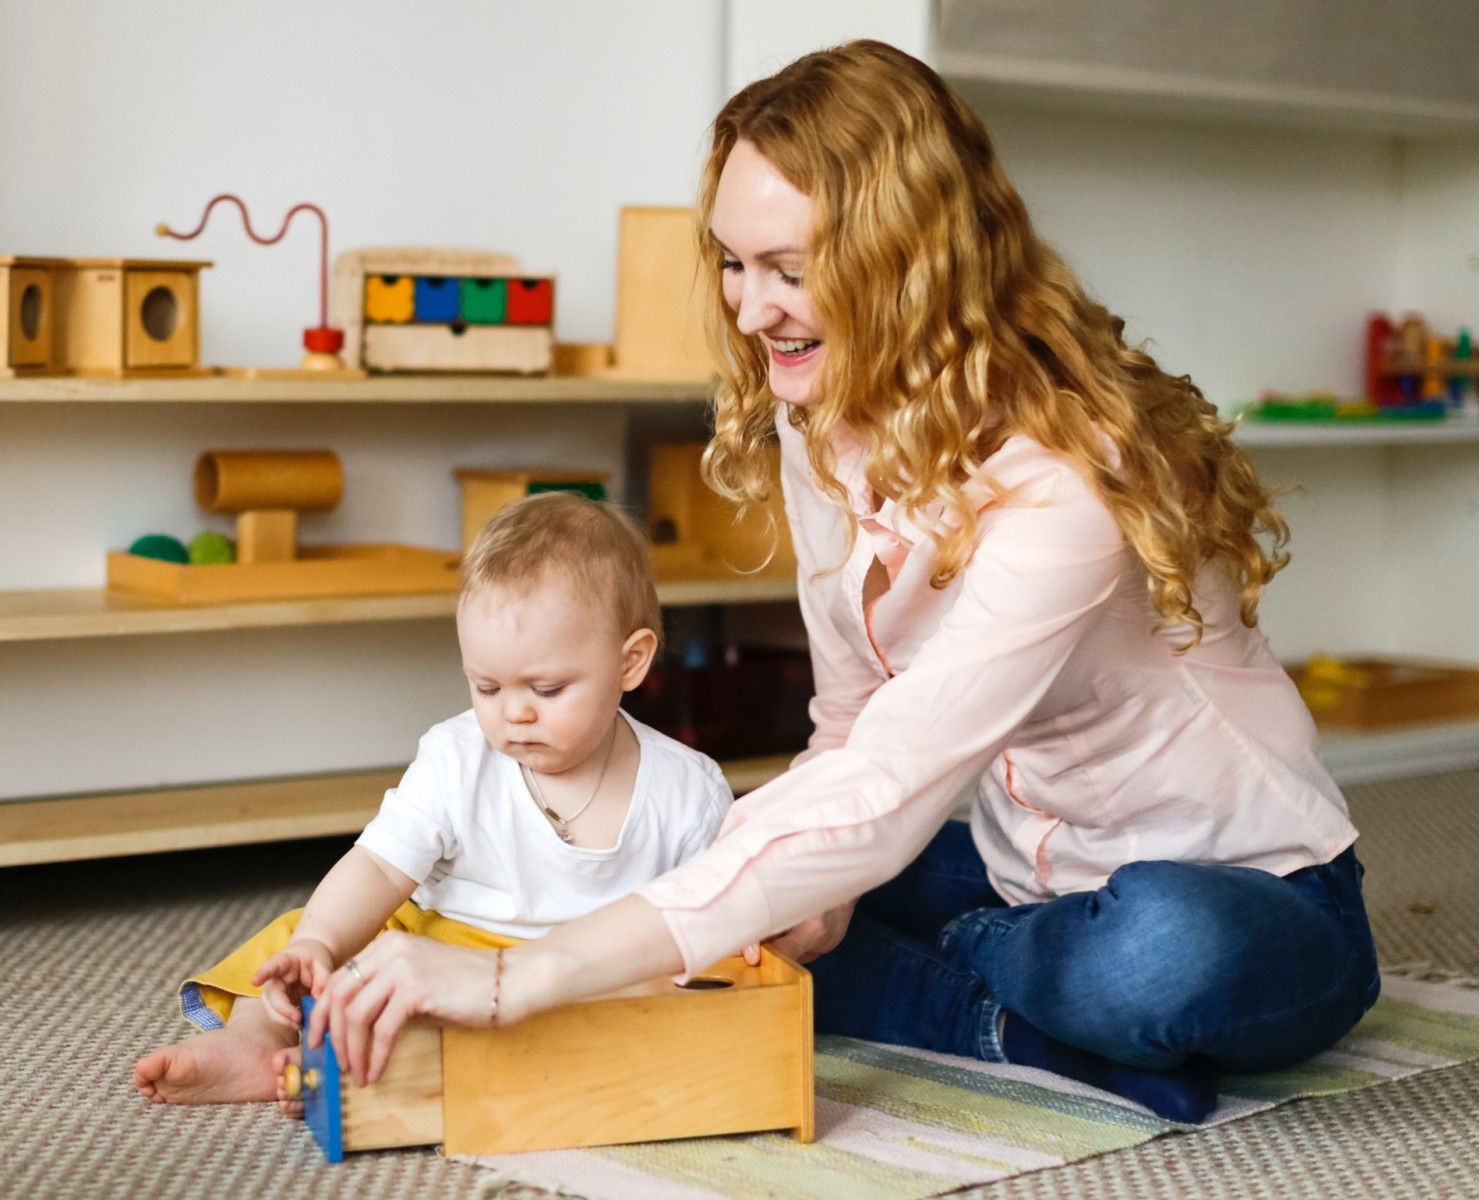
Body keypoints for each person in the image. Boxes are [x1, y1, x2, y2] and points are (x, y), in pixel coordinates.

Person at [308, 39, 1379, 1125]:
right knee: (727, 859)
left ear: (907, 261)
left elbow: (890, 783)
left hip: (1251, 897)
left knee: (1157, 951)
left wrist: (517, 979)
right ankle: (1003, 1019)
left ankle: (962, 980)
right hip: (1026, 880)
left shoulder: (1065, 479)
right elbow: (854, 724)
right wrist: (805, 882)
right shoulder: (816, 420)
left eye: (787, 269)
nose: (747, 308)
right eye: (732, 263)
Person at [133, 492, 734, 1106]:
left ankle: (355, 1055)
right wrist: (318, 942)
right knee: (317, 941)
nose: (515, 712)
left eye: (547, 688)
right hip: (443, 953)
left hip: (594, 976)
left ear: (631, 662)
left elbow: (710, 924)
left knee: (669, 995)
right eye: (487, 686)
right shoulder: (456, 757)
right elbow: (378, 865)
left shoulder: (687, 789)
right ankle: (257, 1041)